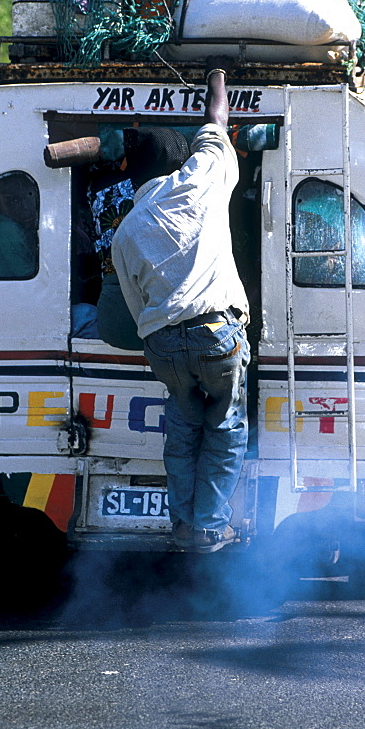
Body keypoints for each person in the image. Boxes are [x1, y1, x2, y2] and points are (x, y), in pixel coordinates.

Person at [111, 66, 250, 553]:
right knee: (226, 425)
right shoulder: (199, 181)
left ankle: (182, 526)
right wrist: (216, 78)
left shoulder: (126, 232)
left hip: (163, 344)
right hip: (216, 334)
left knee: (184, 426)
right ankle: (210, 524)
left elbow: (134, 306)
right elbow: (215, 121)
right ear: (177, 162)